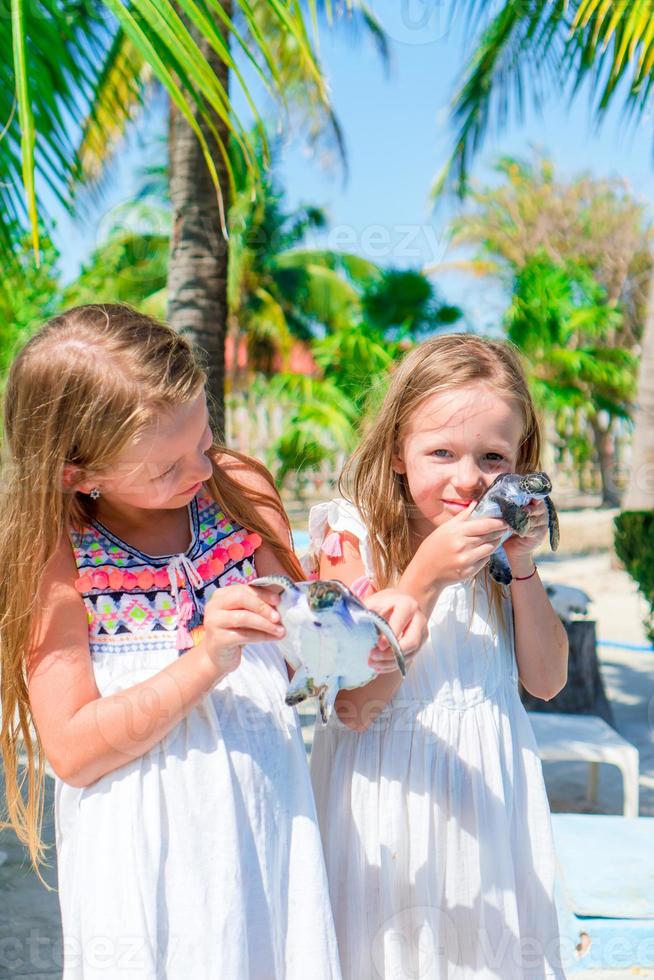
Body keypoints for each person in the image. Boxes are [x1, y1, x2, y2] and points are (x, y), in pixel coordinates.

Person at [0, 303, 353, 979]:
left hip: (266, 827)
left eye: (203, 436)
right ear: (79, 473)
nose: (199, 468)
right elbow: (72, 750)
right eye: (166, 468)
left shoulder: (236, 489)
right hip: (140, 859)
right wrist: (205, 661)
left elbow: (310, 660)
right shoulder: (55, 555)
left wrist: (351, 608)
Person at [307, 334, 569, 979]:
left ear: (520, 461)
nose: (467, 477)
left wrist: (523, 565)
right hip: (387, 806)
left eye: (492, 456)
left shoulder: (498, 552)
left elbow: (547, 680)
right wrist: (421, 581)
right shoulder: (351, 537)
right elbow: (353, 704)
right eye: (441, 452)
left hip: (489, 806)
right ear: (399, 452)